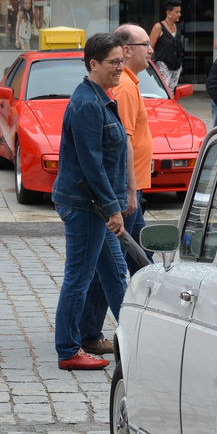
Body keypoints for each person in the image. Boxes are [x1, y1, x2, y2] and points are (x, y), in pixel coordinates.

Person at [51, 33, 131, 371]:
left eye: (121, 61)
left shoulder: (100, 98)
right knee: (79, 278)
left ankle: (129, 338)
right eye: (114, 62)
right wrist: (113, 207)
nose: (120, 67)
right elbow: (92, 162)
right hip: (85, 205)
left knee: (114, 273)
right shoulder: (87, 104)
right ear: (93, 64)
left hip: (95, 204)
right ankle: (68, 350)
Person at [77, 23, 157, 355]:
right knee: (135, 265)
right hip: (125, 196)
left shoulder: (129, 84)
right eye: (144, 44)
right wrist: (128, 192)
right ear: (126, 50)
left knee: (111, 264)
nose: (150, 50)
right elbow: (117, 143)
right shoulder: (122, 88)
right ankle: (143, 332)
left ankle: (90, 332)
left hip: (129, 192)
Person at [149, 0, 185, 80]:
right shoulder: (158, 27)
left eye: (180, 12)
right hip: (163, 66)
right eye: (176, 12)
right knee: (163, 90)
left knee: (172, 91)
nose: (179, 14)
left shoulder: (177, 27)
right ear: (168, 13)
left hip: (177, 66)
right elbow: (150, 47)